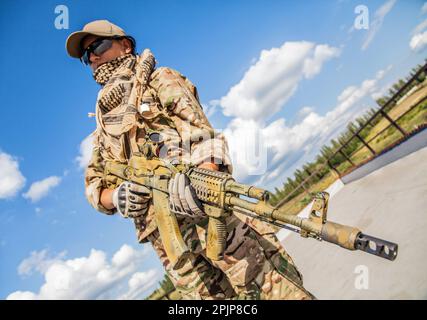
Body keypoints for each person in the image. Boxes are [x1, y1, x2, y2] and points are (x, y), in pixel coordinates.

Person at [65, 19, 314, 300]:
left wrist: (203, 183)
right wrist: (116, 197)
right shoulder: (102, 130)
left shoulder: (159, 80)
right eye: (87, 56)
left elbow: (203, 137)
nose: (94, 57)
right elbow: (94, 186)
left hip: (208, 214)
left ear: (125, 45)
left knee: (271, 290)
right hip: (170, 243)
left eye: (97, 45)